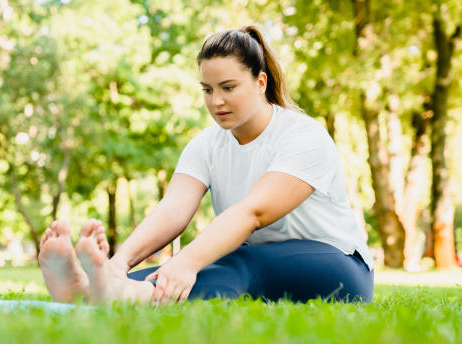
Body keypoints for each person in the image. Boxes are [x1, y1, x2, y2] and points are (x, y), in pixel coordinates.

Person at [38, 24, 374, 305]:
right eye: (207, 89)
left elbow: (252, 214)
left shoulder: (303, 136)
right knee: (179, 271)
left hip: (339, 266)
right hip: (259, 261)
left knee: (228, 261)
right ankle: (87, 291)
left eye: (228, 87)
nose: (216, 101)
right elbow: (173, 210)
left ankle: (128, 295)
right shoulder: (206, 144)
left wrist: (186, 261)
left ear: (260, 83)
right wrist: (118, 264)